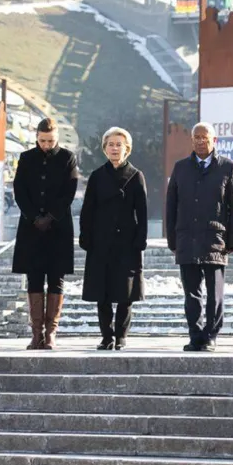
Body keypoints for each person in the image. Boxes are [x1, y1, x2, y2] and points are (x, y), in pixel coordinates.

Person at [166, 122, 233, 352]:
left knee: (214, 293)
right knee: (191, 293)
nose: (200, 141)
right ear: (192, 140)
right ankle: (195, 334)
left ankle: (211, 335)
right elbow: (171, 206)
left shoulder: (228, 168)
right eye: (196, 137)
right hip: (186, 239)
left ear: (214, 141)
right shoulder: (180, 168)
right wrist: (172, 240)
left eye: (205, 137)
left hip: (215, 240)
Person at [10, 118, 79, 350]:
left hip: (58, 227)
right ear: (36, 137)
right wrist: (34, 217)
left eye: (50, 141)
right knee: (34, 278)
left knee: (57, 278)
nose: (46, 145)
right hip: (31, 228)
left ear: (57, 137)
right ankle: (36, 333)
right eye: (42, 141)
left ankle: (51, 333)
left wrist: (50, 217)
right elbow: (19, 190)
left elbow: (69, 191)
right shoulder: (27, 157)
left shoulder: (67, 157)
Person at [80, 127, 149, 351]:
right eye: (111, 144)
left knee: (125, 292)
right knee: (103, 291)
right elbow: (88, 209)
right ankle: (106, 335)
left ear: (127, 149)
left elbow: (143, 212)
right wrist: (85, 235)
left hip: (127, 243)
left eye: (119, 144)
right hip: (101, 241)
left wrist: (141, 239)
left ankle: (121, 335)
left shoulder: (136, 176)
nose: (115, 148)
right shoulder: (98, 176)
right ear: (104, 148)